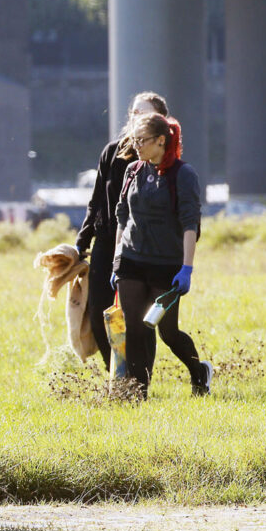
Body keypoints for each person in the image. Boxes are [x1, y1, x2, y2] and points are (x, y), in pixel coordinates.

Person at [113, 113, 212, 399]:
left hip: (166, 265)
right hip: (131, 258)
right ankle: (136, 394)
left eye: (142, 141)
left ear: (161, 140)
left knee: (166, 331)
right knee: (134, 327)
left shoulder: (183, 174)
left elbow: (190, 223)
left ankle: (199, 373)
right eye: (135, 140)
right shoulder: (133, 170)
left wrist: (187, 268)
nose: (137, 146)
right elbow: (123, 216)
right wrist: (116, 260)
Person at [76, 92, 169, 368]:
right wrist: (82, 240)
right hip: (107, 243)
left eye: (143, 114)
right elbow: (96, 201)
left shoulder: (161, 159)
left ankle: (141, 380)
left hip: (142, 246)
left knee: (138, 319)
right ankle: (116, 374)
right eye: (133, 114)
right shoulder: (112, 152)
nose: (135, 119)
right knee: (98, 314)